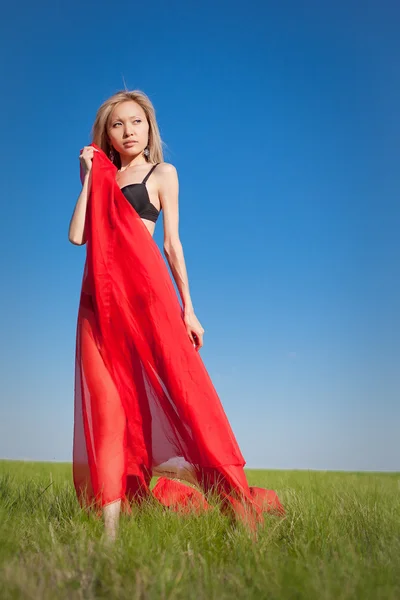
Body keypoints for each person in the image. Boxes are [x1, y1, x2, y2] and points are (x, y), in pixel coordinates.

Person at [69, 90, 284, 542]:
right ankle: (110, 536)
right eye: (118, 125)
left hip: (147, 298)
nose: (128, 131)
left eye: (136, 122)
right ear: (106, 134)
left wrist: (189, 309)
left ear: (149, 129)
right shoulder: (102, 174)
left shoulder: (163, 173)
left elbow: (171, 244)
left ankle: (233, 497)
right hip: (98, 302)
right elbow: (77, 237)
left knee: (186, 396)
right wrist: (89, 177)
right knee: (108, 409)